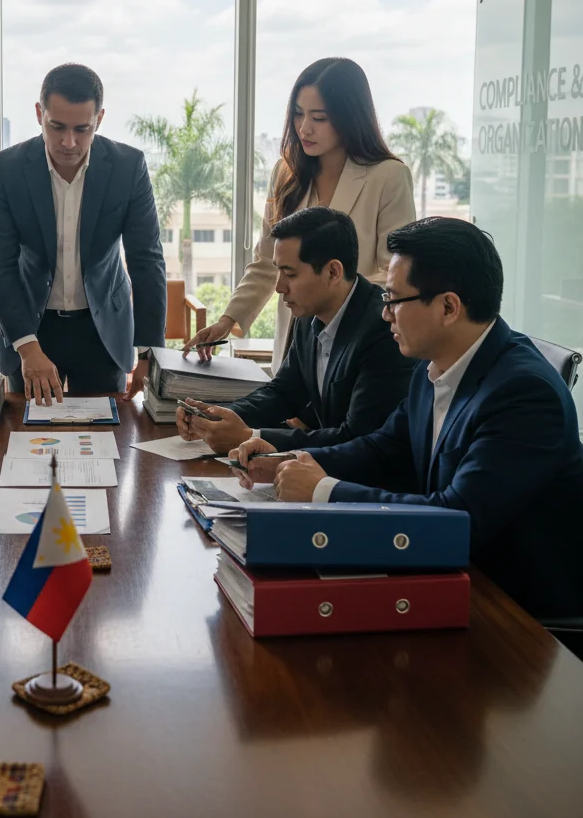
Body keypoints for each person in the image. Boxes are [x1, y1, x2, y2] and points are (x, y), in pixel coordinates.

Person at [232, 218, 583, 620]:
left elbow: (458, 519)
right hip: (448, 582)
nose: (385, 315)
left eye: (393, 300)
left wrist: (323, 490)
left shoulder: (523, 394)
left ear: (448, 307)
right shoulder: (434, 364)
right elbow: (384, 447)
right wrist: (286, 459)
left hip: (516, 618)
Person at [185, 57, 416, 371]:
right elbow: (267, 262)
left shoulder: (388, 176)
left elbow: (394, 274)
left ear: (349, 117)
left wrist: (332, 299)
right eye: (298, 114)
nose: (304, 128)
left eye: (318, 117)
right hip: (294, 342)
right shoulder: (286, 173)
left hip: (355, 344)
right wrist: (228, 320)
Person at [0, 63, 167, 403]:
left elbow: (146, 261)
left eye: (83, 129)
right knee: (25, 441)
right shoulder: (5, 170)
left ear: (100, 118)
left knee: (108, 442)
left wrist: (150, 352)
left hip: (102, 331)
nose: (69, 142)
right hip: (29, 326)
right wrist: (26, 346)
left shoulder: (128, 167)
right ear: (39, 114)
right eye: (57, 127)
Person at [177, 208, 414, 454]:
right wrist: (218, 416)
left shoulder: (384, 330)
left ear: (333, 272)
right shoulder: (308, 313)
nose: (279, 287)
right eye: (278, 271)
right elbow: (284, 393)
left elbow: (357, 438)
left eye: (289, 274)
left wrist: (251, 437)